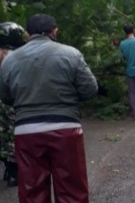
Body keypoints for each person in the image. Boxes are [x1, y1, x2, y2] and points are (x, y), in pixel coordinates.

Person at [0, 13, 98, 203]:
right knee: (72, 191)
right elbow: (90, 89)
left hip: (26, 132)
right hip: (66, 128)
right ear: (55, 31)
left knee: (32, 192)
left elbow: (5, 96)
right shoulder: (71, 54)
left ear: (28, 34)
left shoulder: (10, 61)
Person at [0, 22, 27, 187]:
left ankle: (11, 169)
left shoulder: (8, 55)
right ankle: (14, 170)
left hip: (6, 99)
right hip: (12, 100)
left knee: (7, 135)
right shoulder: (19, 55)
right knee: (12, 135)